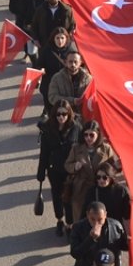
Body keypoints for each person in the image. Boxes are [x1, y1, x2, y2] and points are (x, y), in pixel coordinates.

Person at [38, 99, 82, 236]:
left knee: (68, 197)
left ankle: (70, 224)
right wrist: (41, 172)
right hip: (54, 169)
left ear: (69, 114)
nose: (61, 117)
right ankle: (59, 219)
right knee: (57, 196)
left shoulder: (76, 128)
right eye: (58, 114)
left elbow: (81, 148)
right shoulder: (47, 130)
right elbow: (44, 152)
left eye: (64, 114)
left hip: (70, 170)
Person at [65, 123, 119, 220]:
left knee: (100, 214)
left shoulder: (106, 148)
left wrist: (118, 166)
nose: (88, 138)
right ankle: (79, 233)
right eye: (85, 135)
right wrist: (74, 166)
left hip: (100, 186)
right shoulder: (76, 148)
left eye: (91, 135)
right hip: (81, 187)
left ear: (98, 134)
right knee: (80, 214)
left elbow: (112, 168)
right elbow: (67, 165)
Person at [68, 201, 127, 266]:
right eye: (92, 219)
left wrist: (129, 242)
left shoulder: (116, 226)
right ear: (87, 215)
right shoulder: (78, 228)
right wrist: (90, 239)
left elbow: (122, 246)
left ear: (105, 215)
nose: (96, 223)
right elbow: (75, 253)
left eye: (100, 219)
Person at [83, 164, 131, 237]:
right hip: (98, 232)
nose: (101, 180)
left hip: (115, 232)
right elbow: (84, 213)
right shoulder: (92, 191)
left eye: (104, 177)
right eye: (98, 177)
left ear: (110, 177)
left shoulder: (121, 191)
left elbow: (127, 214)